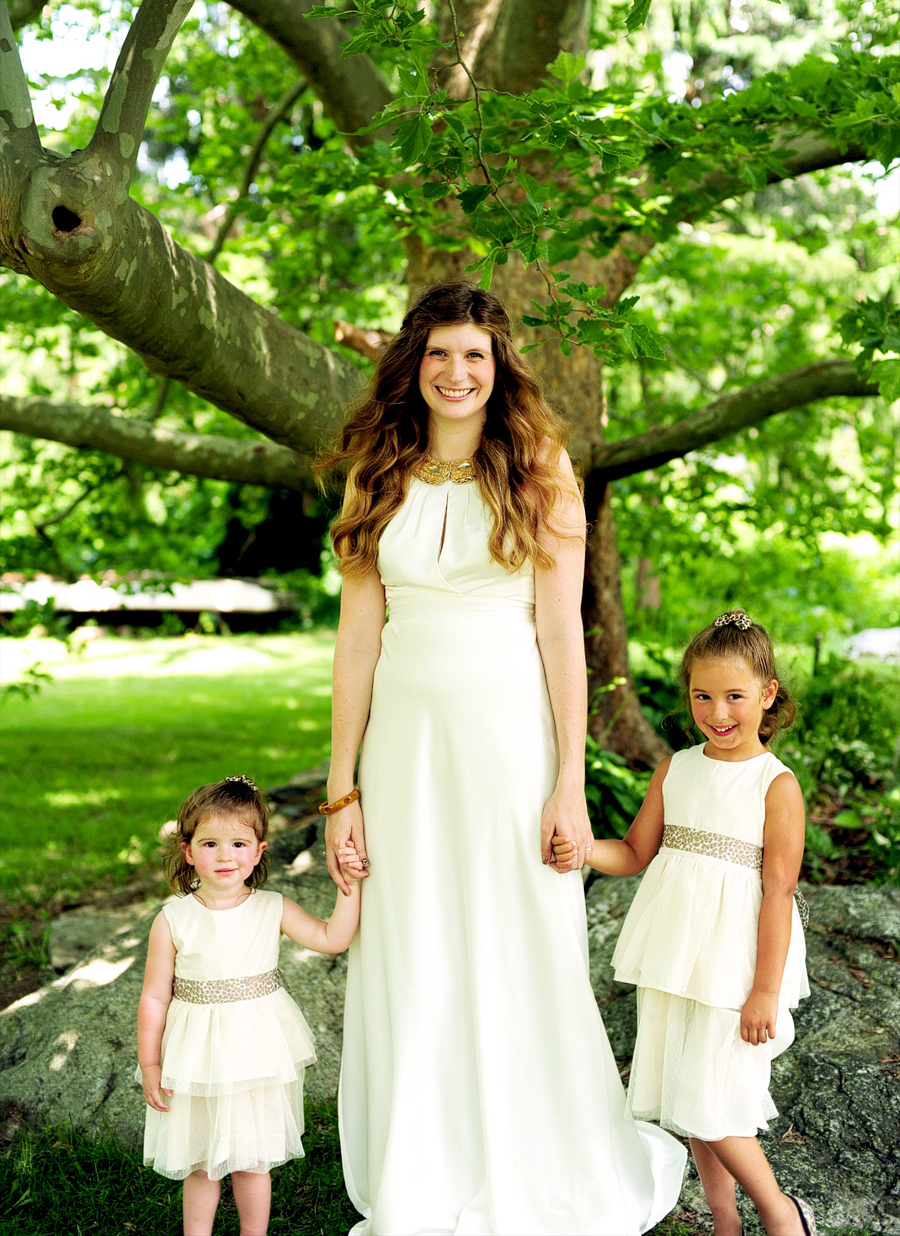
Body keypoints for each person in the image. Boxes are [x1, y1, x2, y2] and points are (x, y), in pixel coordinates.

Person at [315, 280, 686, 1236]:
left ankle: (537, 1158)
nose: (456, 371)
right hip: (403, 754)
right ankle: (426, 1163)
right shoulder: (376, 474)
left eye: (474, 353)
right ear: (414, 363)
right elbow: (357, 642)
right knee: (417, 943)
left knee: (515, 936)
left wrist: (569, 780)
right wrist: (340, 790)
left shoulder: (540, 468)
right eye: (438, 352)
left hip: (509, 748)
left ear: (498, 365)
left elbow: (564, 639)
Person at [554, 611, 816, 1236]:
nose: (717, 711)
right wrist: (586, 850)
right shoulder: (677, 768)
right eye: (702, 695)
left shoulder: (775, 787)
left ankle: (784, 1216)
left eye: (735, 696)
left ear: (767, 695)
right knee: (683, 1095)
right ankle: (725, 1221)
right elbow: (637, 852)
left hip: (736, 965)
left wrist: (764, 991)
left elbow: (778, 894)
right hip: (676, 954)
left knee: (716, 1099)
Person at [136, 775, 361, 1236]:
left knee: (252, 1160)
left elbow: (331, 938)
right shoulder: (174, 919)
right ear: (188, 850)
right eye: (210, 843)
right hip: (196, 1055)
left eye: (239, 843)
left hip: (256, 1051)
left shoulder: (272, 907)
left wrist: (351, 886)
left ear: (258, 851)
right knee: (201, 1161)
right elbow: (156, 996)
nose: (224, 855)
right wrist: (150, 1064)